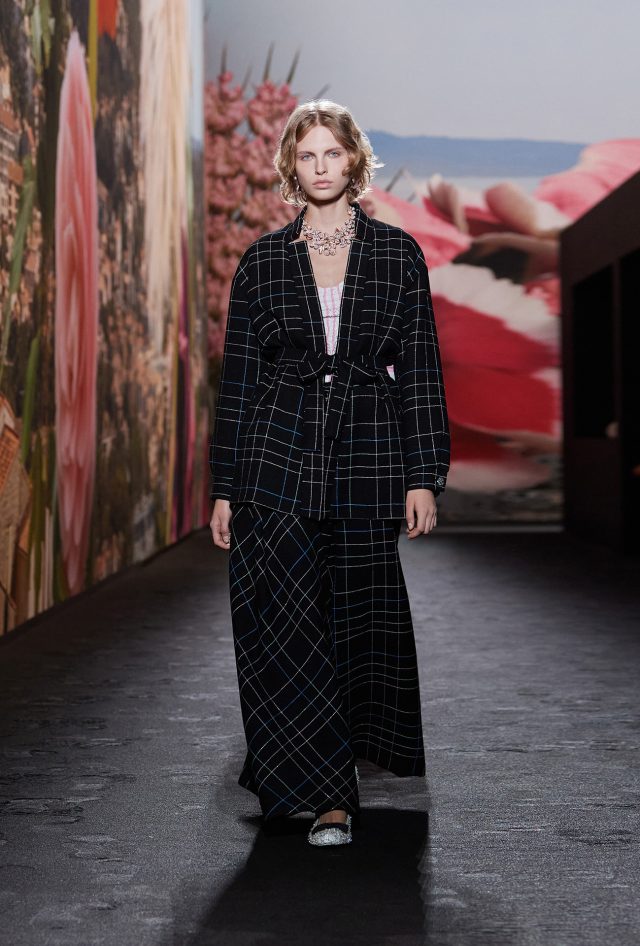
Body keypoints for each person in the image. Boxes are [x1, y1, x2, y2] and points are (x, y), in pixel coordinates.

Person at [209, 100, 450, 847]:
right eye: (307, 155)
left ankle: (317, 773)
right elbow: (238, 383)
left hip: (368, 458)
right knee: (284, 618)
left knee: (353, 622)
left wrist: (423, 474)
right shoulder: (263, 262)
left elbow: (419, 371)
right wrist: (225, 488)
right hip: (275, 457)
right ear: (291, 166)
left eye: (332, 154)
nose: (320, 167)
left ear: (354, 161)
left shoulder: (397, 255)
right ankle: (329, 797)